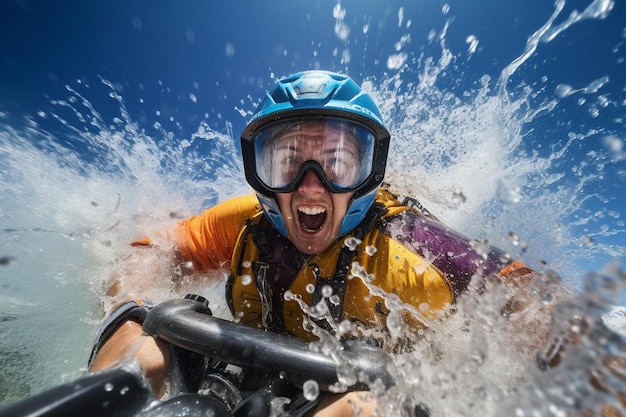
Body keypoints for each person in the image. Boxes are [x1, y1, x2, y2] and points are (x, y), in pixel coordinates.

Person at [88, 70, 532, 416]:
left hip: (358, 390)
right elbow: (150, 250)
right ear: (259, 169)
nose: (311, 188)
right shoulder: (244, 221)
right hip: (242, 373)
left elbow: (524, 293)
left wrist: (583, 370)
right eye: (287, 163)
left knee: (366, 410)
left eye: (338, 163)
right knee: (149, 356)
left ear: (370, 173)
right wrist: (127, 320)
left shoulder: (411, 246)